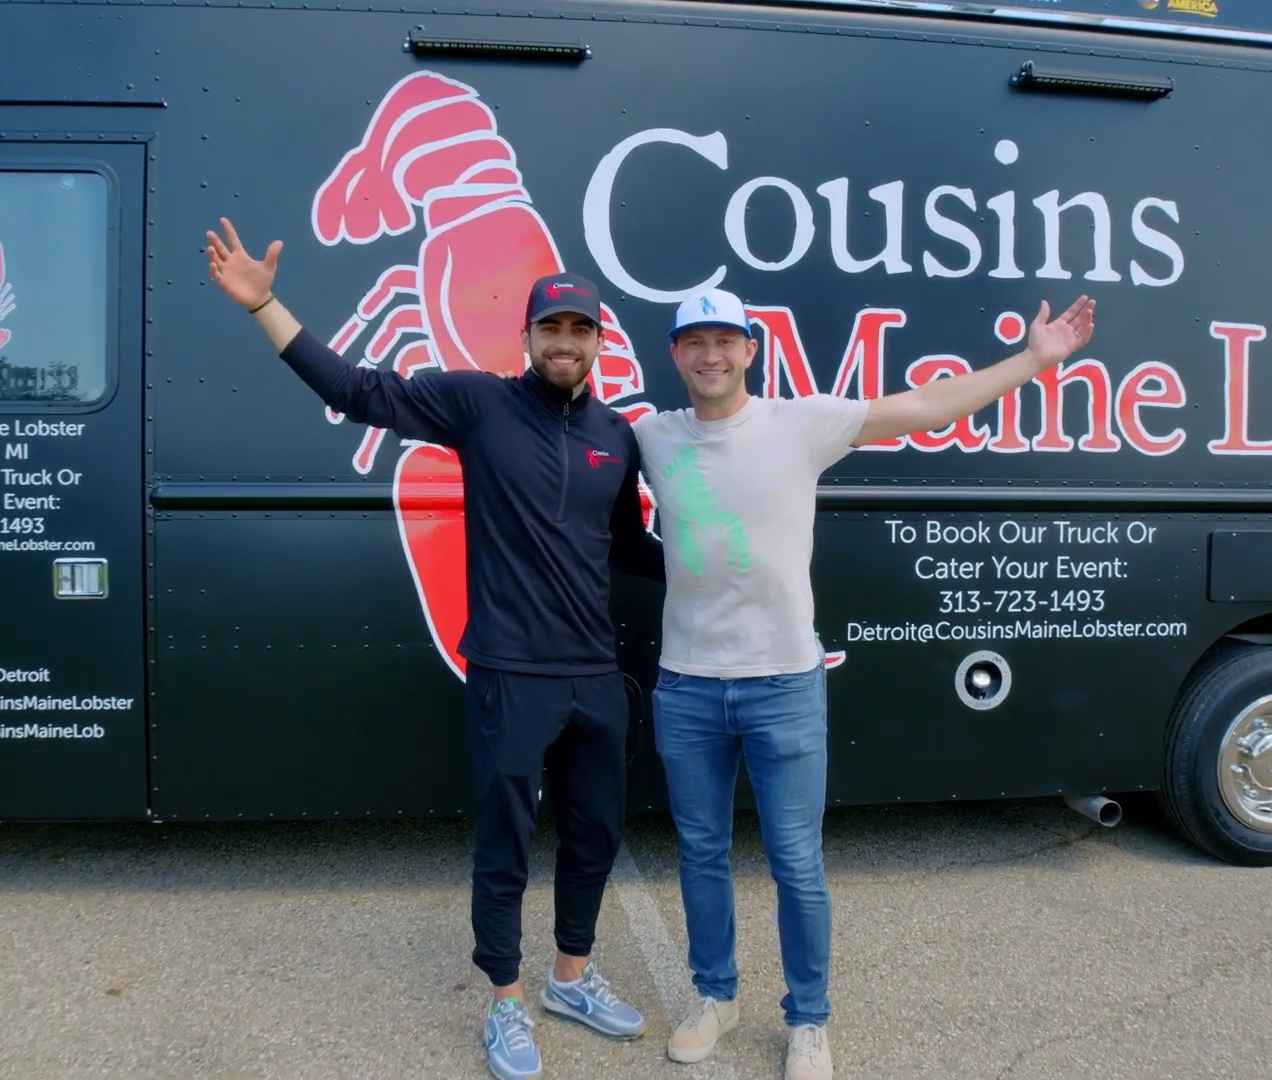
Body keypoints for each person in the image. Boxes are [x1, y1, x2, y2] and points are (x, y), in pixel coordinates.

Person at [204, 218, 663, 1080]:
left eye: (580, 329)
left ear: (600, 343)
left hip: (594, 675)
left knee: (596, 834)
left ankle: (571, 978)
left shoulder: (617, 436)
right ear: (526, 336)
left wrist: (729, 571)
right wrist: (265, 306)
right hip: (510, 671)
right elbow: (358, 390)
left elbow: (630, 548)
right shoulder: (478, 404)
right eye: (551, 327)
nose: (565, 342)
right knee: (505, 841)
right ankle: (505, 1000)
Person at [635, 287, 1095, 1080]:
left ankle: (808, 1020)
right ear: (675, 355)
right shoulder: (651, 435)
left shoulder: (800, 425)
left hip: (783, 684)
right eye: (695, 342)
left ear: (750, 350)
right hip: (687, 686)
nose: (711, 355)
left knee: (795, 862)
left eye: (726, 340)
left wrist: (1033, 360)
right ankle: (715, 996)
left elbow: (926, 405)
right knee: (701, 852)